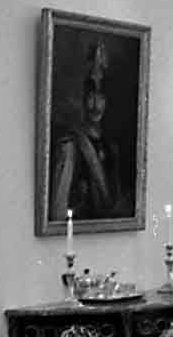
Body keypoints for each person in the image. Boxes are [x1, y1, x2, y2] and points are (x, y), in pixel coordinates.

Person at [50, 40, 131, 221]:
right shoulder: (70, 146)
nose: (95, 105)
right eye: (90, 96)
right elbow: (57, 214)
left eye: (100, 97)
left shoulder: (111, 148)